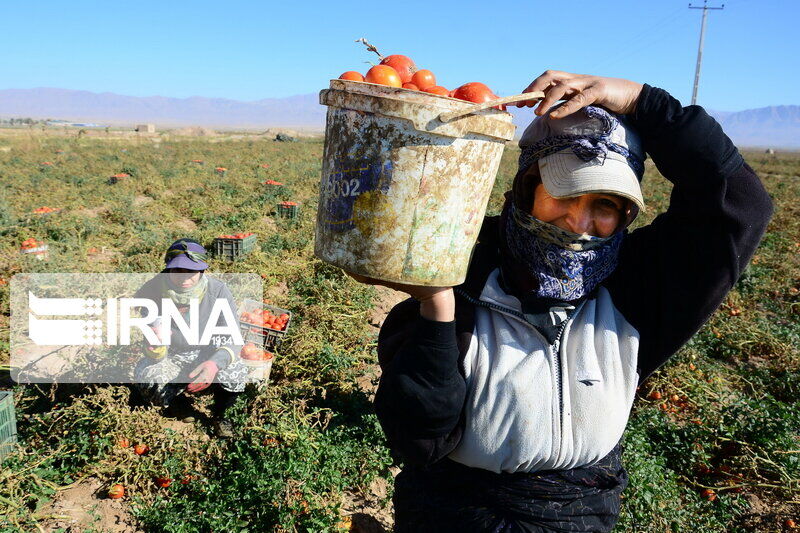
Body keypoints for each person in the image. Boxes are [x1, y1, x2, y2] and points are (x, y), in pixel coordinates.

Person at [353, 71, 774, 531]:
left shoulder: (636, 289)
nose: (579, 221)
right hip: (453, 515)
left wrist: (643, 101)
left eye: (605, 204)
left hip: (580, 515)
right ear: (526, 188)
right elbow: (417, 438)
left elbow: (740, 204)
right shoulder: (460, 275)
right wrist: (437, 309)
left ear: (625, 214)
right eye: (562, 191)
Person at [132, 238, 249, 438]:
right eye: (178, 270)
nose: (184, 277)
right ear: (168, 268)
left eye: (191, 271)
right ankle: (178, 403)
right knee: (148, 375)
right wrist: (155, 347)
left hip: (207, 352)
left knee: (236, 370)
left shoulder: (217, 291)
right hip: (173, 354)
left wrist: (213, 364)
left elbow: (234, 337)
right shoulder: (151, 291)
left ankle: (221, 414)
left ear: (202, 271)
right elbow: (151, 339)